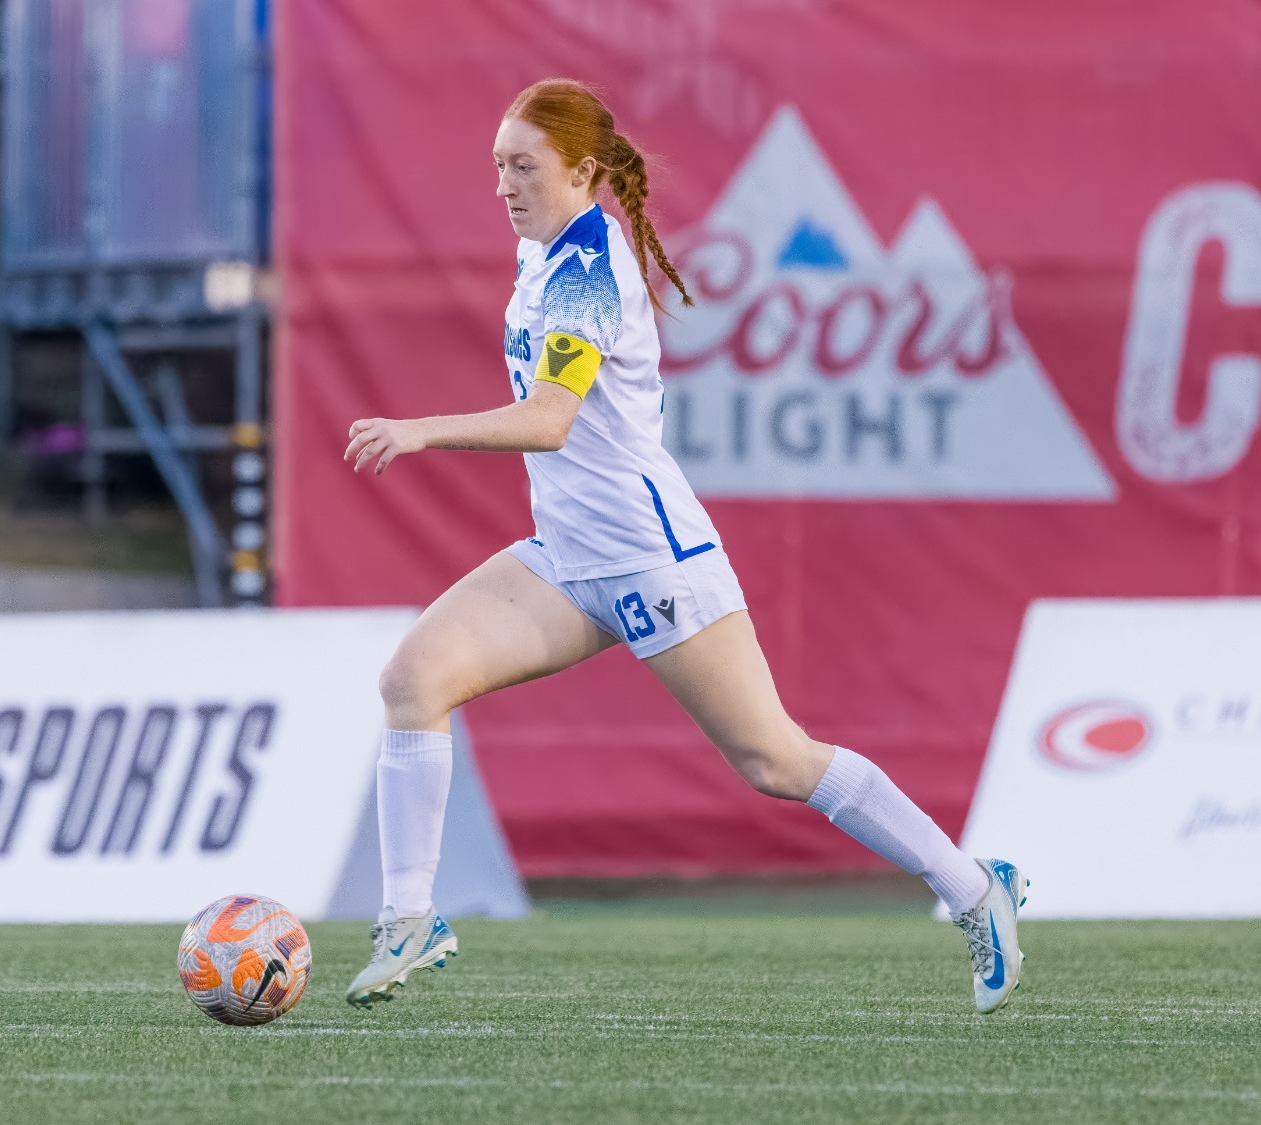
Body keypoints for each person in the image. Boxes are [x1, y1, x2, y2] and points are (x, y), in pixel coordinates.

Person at [340, 78, 1027, 1014]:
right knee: (413, 680)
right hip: (568, 554)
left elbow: (548, 422)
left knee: (776, 760)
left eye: (524, 166)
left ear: (582, 171)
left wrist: (420, 430)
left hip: (654, 561)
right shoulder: (541, 249)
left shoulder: (587, 266)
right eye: (497, 164)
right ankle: (410, 919)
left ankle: (973, 889)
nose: (504, 183)